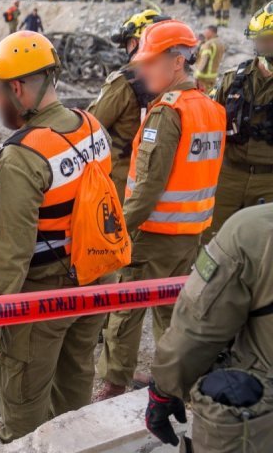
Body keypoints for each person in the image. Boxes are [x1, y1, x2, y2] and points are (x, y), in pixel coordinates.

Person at [0, 31, 118, 443]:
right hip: (95, 281)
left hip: (43, 296)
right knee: (75, 379)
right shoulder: (92, 125)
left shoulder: (24, 155)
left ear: (19, 88)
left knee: (23, 399)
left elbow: (13, 255)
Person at [96, 20, 227, 400]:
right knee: (174, 311)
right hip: (191, 234)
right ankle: (174, 384)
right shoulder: (211, 108)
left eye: (150, 62)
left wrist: (116, 231)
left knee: (126, 310)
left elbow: (147, 189)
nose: (141, 70)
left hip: (153, 234)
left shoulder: (167, 113)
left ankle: (114, 385)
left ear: (176, 62)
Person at [145, 203, 273, 451]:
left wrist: (163, 389)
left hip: (259, 420)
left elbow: (196, 332)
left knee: (228, 393)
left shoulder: (253, 230)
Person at [207, 1, 273, 238]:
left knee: (262, 249)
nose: (263, 46)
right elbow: (205, 119)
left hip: (269, 180)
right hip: (229, 176)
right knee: (212, 241)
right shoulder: (234, 80)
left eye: (268, 40)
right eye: (261, 40)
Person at [89, 10, 169, 204]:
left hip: (122, 180)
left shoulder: (124, 82)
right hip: (161, 179)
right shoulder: (175, 78)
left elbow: (93, 123)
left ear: (134, 43)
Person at [194, 25, 225, 92]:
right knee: (210, 95)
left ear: (211, 32)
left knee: (202, 97)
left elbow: (204, 60)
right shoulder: (220, 43)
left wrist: (197, 75)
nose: (204, 33)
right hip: (213, 76)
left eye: (206, 31)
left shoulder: (208, 44)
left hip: (204, 77)